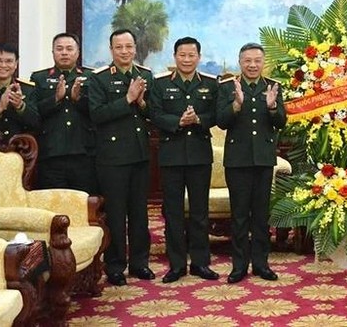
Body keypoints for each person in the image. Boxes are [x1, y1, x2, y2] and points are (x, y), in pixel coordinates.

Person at [149, 37, 219, 283]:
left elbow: (217, 114)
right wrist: (177, 122)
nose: (187, 59)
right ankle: (177, 265)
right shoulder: (159, 84)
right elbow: (154, 113)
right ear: (175, 56)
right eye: (182, 55)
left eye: (191, 55)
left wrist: (199, 119)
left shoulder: (211, 84)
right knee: (173, 213)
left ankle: (201, 264)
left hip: (200, 155)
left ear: (199, 57)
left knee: (200, 212)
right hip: (171, 156)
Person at [88, 29, 155, 286]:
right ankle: (115, 265)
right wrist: (127, 99)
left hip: (139, 154)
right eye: (119, 47)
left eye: (129, 46)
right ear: (111, 50)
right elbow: (97, 115)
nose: (124, 51)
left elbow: (152, 114)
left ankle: (140, 263)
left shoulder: (145, 75)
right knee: (115, 213)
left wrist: (142, 104)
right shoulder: (100, 79)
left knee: (140, 212)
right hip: (112, 156)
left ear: (135, 48)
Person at [216, 43, 286, 284]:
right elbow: (221, 121)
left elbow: (281, 122)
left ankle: (261, 264)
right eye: (248, 61)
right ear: (240, 62)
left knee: (260, 215)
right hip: (237, 161)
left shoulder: (273, 87)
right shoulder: (227, 87)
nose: (253, 65)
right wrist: (236, 104)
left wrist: (272, 106)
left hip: (264, 160)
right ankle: (238, 266)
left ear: (263, 62)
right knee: (239, 216)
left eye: (257, 60)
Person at [29, 32, 98, 194]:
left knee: (83, 206)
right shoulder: (39, 78)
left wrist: (78, 99)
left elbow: (97, 111)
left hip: (84, 152)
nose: (64, 53)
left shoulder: (91, 76)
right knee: (53, 206)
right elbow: (33, 114)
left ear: (78, 52)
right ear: (52, 52)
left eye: (69, 49)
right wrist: (55, 99)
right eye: (59, 49)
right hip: (51, 153)